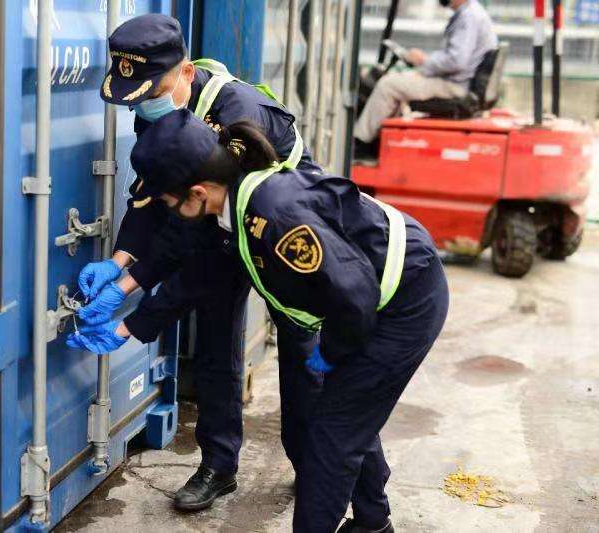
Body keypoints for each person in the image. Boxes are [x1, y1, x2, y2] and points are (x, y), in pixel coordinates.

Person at [68, 109, 449, 532]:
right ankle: (373, 524)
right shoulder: (230, 207)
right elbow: (196, 276)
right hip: (371, 299)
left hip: (405, 299)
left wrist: (330, 353)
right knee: (347, 417)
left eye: (166, 202)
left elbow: (355, 298)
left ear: (197, 192)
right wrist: (126, 328)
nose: (167, 210)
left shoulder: (273, 217)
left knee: (330, 438)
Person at [70, 13, 322, 512]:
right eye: (137, 95)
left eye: (153, 90)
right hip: (217, 223)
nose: (144, 103)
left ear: (186, 72)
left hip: (279, 231)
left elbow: (205, 247)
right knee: (214, 345)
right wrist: (120, 263)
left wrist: (130, 311)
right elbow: (153, 192)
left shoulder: (239, 116)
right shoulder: (156, 107)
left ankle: (316, 464)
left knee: (302, 354)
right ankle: (219, 466)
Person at [354, 0, 497, 154]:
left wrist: (423, 60)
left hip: (455, 85)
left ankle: (360, 143)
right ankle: (381, 140)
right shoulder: (472, 12)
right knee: (400, 80)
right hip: (459, 82)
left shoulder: (468, 17)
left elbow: (456, 61)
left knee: (388, 85)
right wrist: (425, 66)